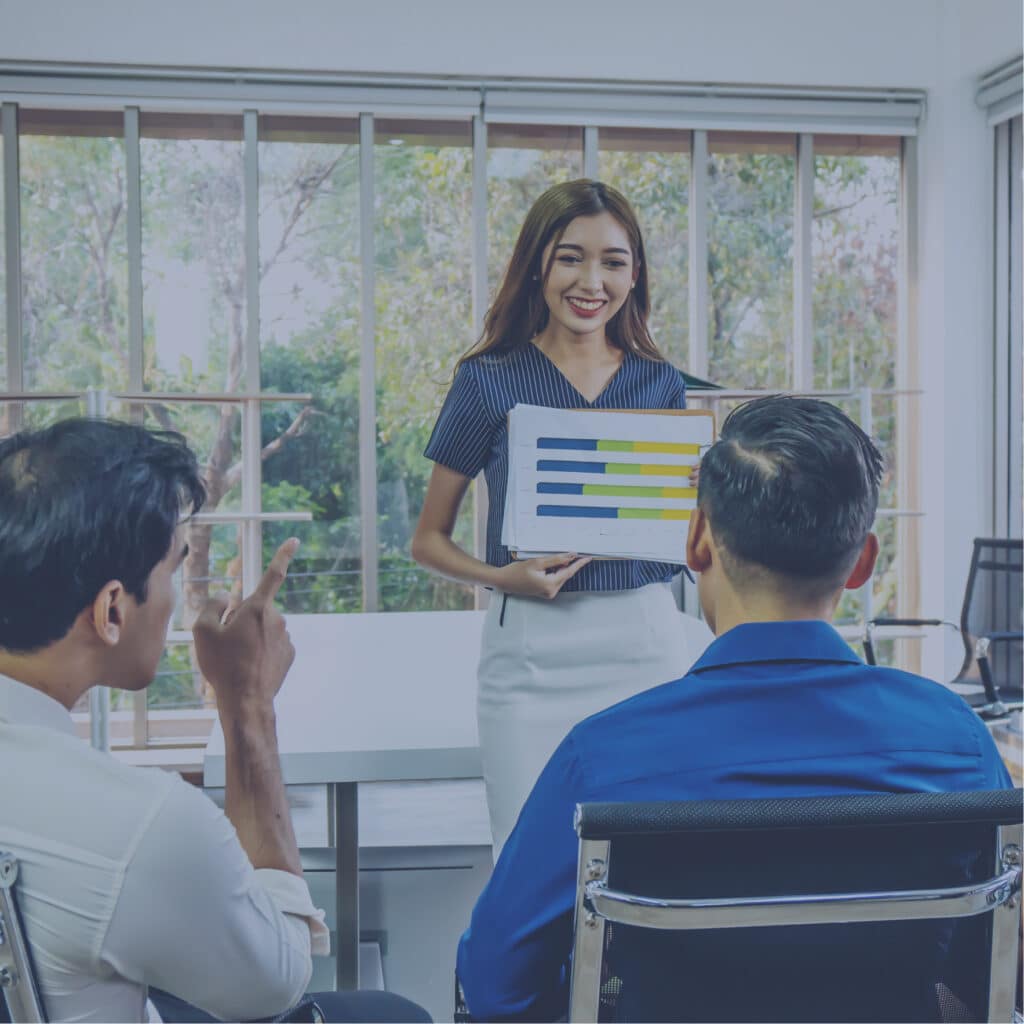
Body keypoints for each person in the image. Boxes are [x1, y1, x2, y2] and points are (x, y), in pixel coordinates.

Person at [455, 395, 1013, 1022]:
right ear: (862, 562)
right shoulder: (954, 741)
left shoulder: (607, 756)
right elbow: (1000, 965)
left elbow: (496, 984)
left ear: (696, 542)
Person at [0, 418, 429, 1024]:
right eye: (173, 571)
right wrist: (247, 702)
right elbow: (273, 982)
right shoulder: (140, 825)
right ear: (112, 610)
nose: (180, 595)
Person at [412, 179, 712, 856]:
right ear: (538, 264)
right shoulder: (487, 380)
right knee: (526, 860)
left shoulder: (660, 384)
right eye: (571, 257)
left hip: (645, 644)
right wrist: (502, 578)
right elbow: (427, 540)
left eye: (613, 261)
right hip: (528, 659)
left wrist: (705, 492)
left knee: (647, 862)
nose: (591, 280)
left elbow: (689, 543)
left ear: (634, 276)